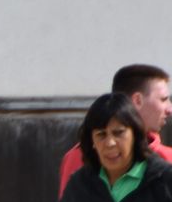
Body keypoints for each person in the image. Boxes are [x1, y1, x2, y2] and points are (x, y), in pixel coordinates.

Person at [58, 65, 172, 194]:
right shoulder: (79, 158)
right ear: (137, 100)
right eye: (163, 99)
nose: (169, 109)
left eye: (119, 133)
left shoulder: (167, 159)